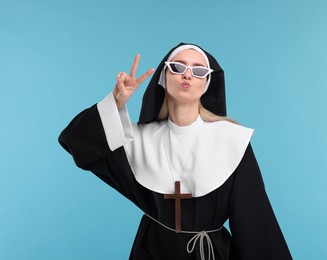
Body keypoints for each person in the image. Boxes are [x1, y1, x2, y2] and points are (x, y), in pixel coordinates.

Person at [59, 43, 292, 260]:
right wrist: (117, 102)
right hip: (151, 250)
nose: (188, 75)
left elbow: (255, 223)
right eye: (178, 67)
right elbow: (78, 143)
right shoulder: (138, 140)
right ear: (163, 77)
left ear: (207, 83)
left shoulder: (231, 140)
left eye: (199, 71)